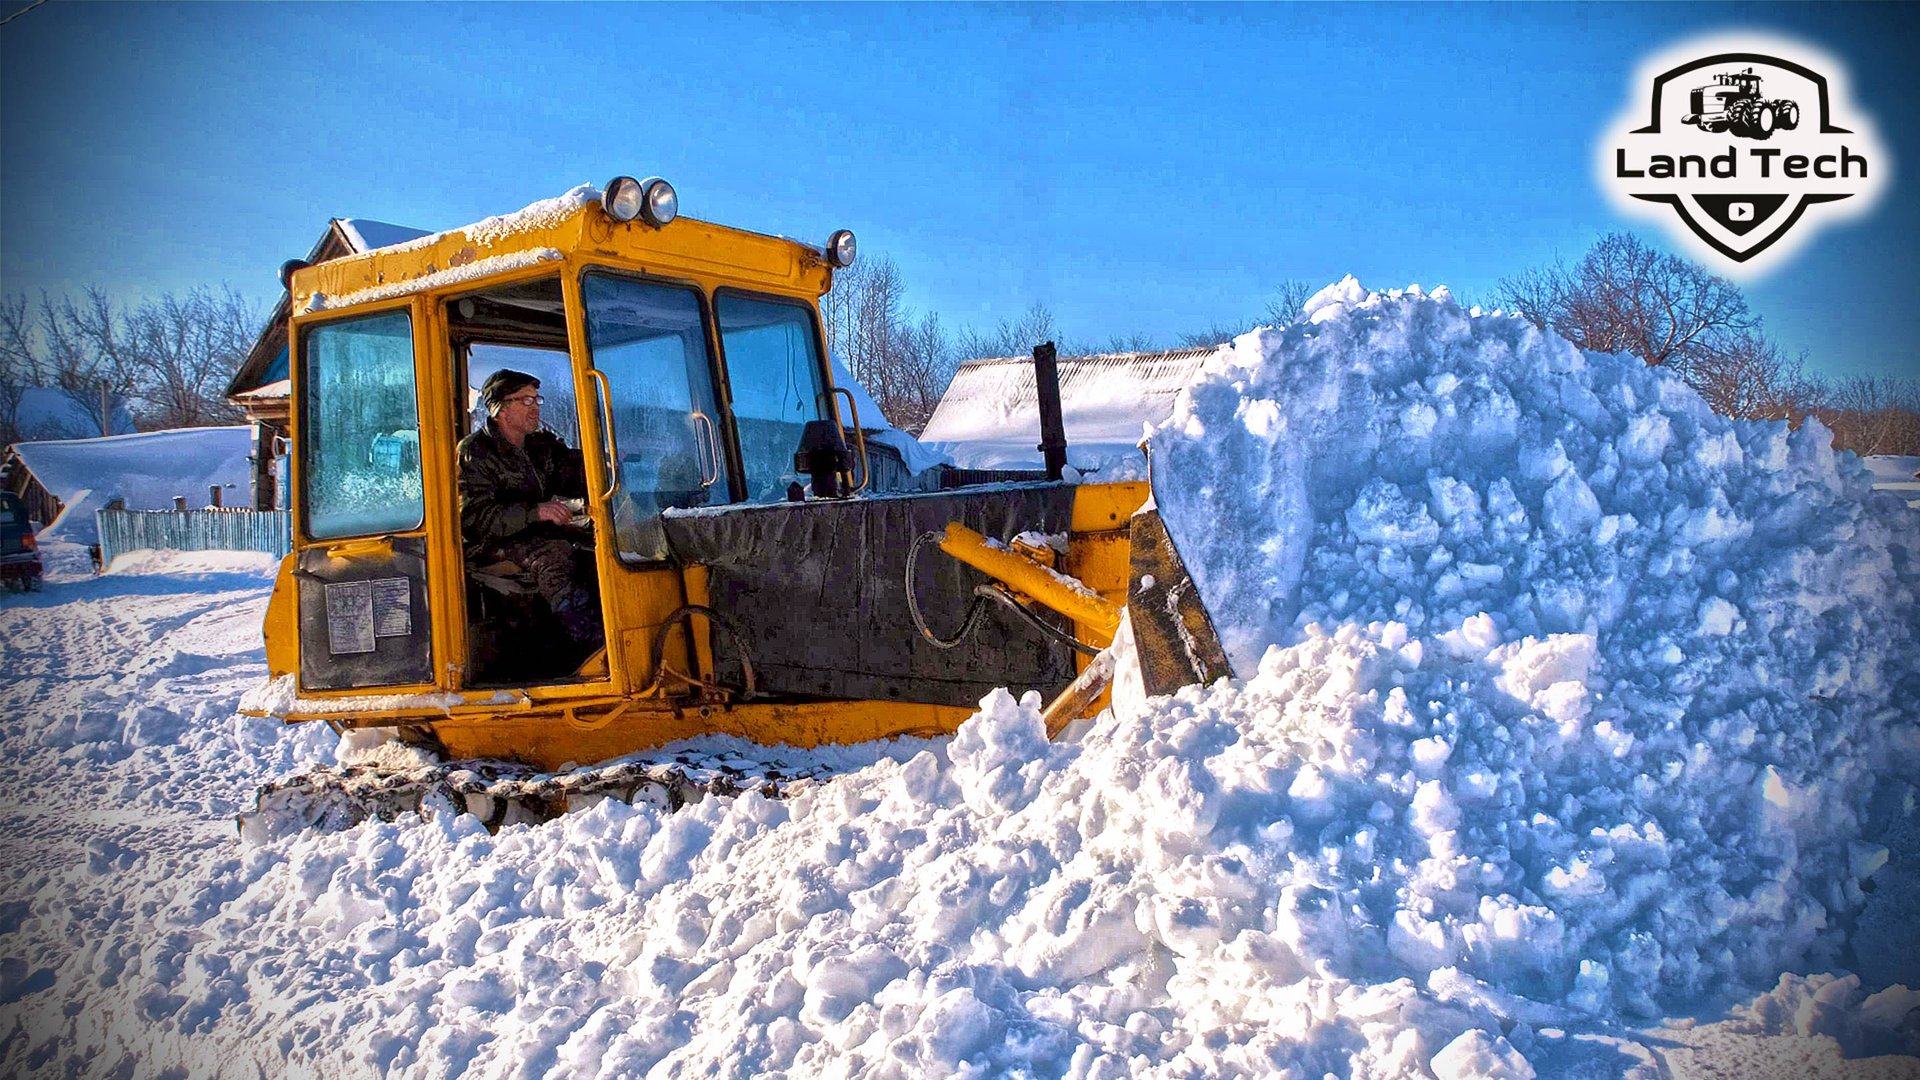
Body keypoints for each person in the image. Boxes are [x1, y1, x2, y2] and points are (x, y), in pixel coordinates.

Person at [457, 369, 602, 648]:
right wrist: (535, 512)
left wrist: (605, 468)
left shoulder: (539, 446)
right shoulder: (476, 452)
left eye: (537, 400)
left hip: (536, 533)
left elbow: (573, 472)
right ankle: (583, 636)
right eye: (525, 401)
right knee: (554, 556)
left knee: (596, 546)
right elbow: (474, 519)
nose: (534, 407)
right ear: (500, 409)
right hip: (490, 543)